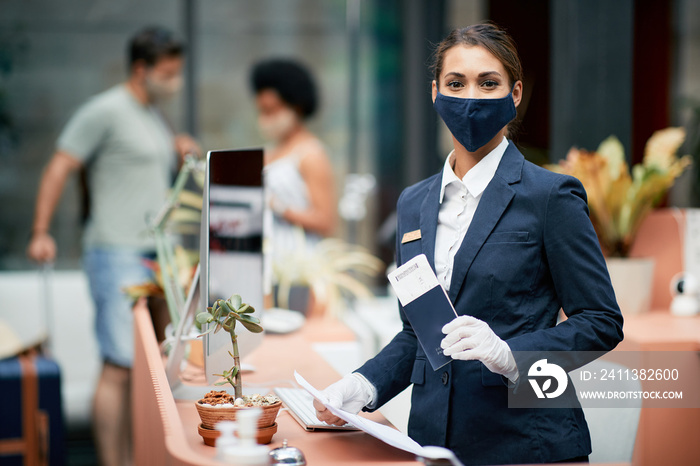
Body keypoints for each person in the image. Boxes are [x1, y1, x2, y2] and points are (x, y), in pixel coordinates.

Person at [314, 23, 624, 465]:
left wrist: (510, 355)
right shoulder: (413, 203)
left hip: (529, 443)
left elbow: (601, 321)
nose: (471, 97)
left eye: (488, 82)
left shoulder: (550, 197)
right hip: (433, 443)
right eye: (456, 83)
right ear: (435, 92)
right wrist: (364, 385)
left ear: (515, 94)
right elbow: (418, 332)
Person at [26, 26, 199, 466]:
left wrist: (177, 151)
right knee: (120, 364)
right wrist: (41, 232)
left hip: (155, 255)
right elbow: (59, 167)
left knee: (163, 362)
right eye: (167, 72)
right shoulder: (103, 110)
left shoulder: (154, 115)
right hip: (115, 253)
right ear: (141, 70)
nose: (174, 80)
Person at [250, 58, 337, 256]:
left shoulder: (311, 153)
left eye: (272, 110)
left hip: (299, 264)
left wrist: (278, 206)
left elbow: (326, 220)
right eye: (261, 111)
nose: (265, 118)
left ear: (295, 107)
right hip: (268, 260)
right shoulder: (269, 151)